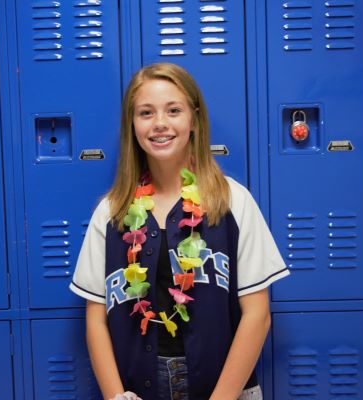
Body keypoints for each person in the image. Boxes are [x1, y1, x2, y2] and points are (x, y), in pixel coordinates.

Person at [69, 63, 290, 400]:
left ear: (194, 120)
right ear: (132, 124)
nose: (160, 123)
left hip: (225, 389)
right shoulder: (111, 212)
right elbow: (96, 319)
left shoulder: (232, 201)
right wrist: (117, 396)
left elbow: (257, 315)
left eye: (174, 110)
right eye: (146, 112)